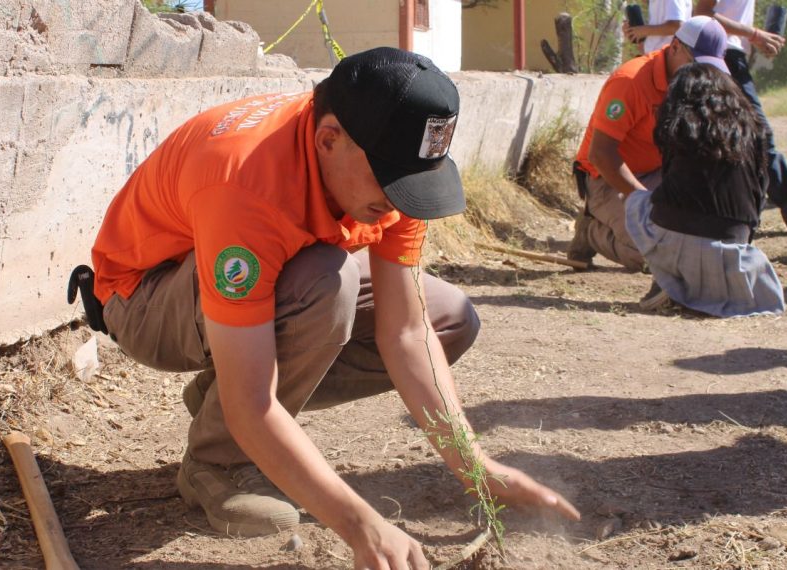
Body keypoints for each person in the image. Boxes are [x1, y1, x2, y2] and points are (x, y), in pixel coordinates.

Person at [78, 47, 580, 568]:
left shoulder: (387, 164)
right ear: (328, 139)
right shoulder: (248, 182)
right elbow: (257, 398)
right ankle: (220, 460)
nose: (402, 200)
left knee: (449, 319)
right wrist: (362, 526)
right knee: (325, 284)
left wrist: (477, 466)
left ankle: (225, 390)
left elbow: (407, 333)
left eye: (413, 182)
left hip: (252, 282)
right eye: (392, 182)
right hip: (143, 298)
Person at [568, 15, 729, 271]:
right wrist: (642, 200)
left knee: (694, 237)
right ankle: (591, 229)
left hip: (657, 172)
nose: (704, 76)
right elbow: (600, 154)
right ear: (675, 47)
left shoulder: (694, 83)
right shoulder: (630, 81)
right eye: (696, 65)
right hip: (606, 177)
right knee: (649, 255)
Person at [626, 63, 785, 316]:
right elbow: (758, 196)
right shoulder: (753, 131)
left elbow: (670, 188)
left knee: (636, 202)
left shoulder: (678, 128)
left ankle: (668, 281)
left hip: (678, 242)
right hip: (734, 245)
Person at [695, 0, 787, 233]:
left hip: (726, 55)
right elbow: (703, 14)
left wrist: (757, 38)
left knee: (726, 139)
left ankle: (728, 211)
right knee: (758, 135)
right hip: (722, 56)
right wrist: (755, 34)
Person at [624, 0, 694, 54]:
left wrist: (643, 30)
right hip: (657, 59)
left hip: (668, 61)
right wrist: (635, 32)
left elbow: (676, 26)